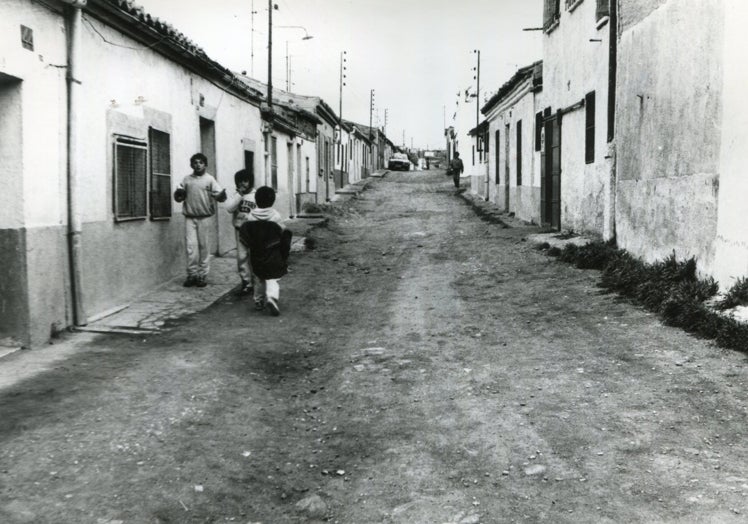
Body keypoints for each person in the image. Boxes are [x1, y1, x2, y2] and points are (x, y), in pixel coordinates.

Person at [173, 153, 227, 288]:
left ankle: (202, 275)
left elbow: (219, 196)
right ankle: (192, 274)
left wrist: (221, 196)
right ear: (192, 165)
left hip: (204, 217)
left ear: (205, 164)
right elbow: (179, 196)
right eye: (195, 162)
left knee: (204, 247)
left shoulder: (210, 180)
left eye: (201, 162)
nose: (198, 165)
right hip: (190, 218)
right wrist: (178, 195)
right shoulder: (186, 180)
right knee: (191, 248)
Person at [238, 186, 292, 316]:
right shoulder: (275, 216)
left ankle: (258, 301)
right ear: (272, 200)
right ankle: (272, 298)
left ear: (256, 200)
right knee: (272, 277)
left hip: (257, 253)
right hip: (272, 253)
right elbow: (282, 233)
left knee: (258, 277)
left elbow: (245, 235)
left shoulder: (251, 216)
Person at [225, 169, 257, 294]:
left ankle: (257, 280)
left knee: (254, 256)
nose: (242, 184)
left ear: (250, 182)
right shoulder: (236, 196)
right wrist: (239, 195)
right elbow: (229, 209)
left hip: (254, 231)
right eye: (240, 181)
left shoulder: (256, 195)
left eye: (245, 181)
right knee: (241, 256)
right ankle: (246, 282)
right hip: (240, 230)